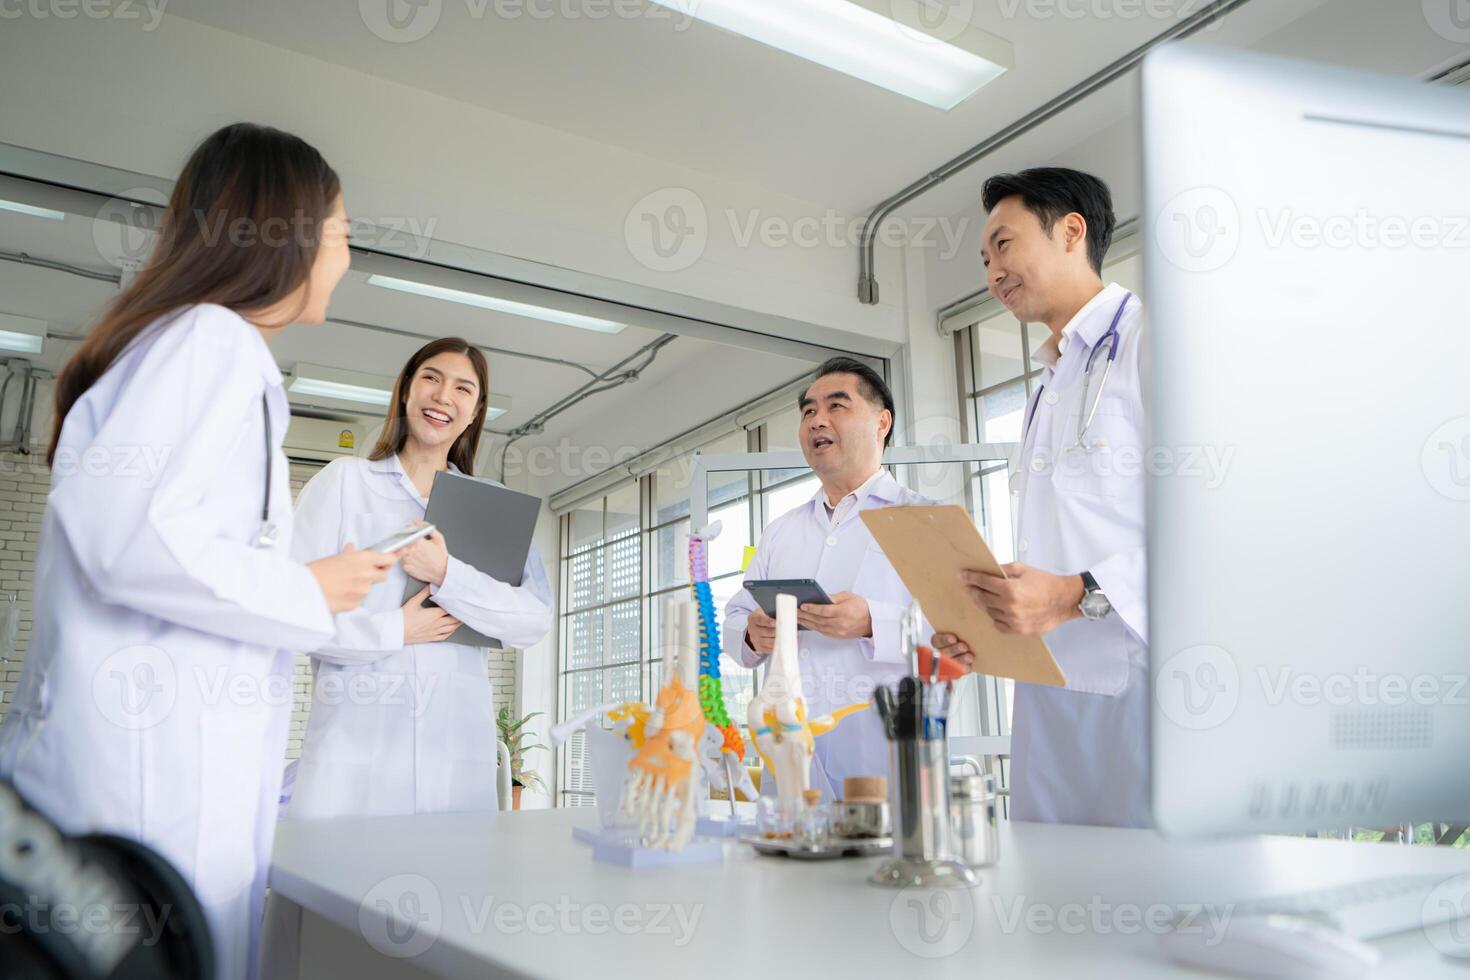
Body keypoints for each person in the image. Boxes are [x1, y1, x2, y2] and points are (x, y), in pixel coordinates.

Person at [0, 122, 397, 980]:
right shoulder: (209, 344)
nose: (347, 258)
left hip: (150, 776)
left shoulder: (205, 351)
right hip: (140, 791)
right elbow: (127, 534)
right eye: (342, 235)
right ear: (287, 238)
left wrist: (310, 594)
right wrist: (305, 586)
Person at [933, 167, 1149, 827]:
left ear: (1071, 233)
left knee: (1163, 906)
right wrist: (991, 618)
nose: (992, 270)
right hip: (1048, 687)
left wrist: (1072, 595)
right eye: (985, 258)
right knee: (1056, 898)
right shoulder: (1050, 384)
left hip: (1147, 683)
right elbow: (1061, 543)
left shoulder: (1149, 341)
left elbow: (1222, 527)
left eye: (1004, 244)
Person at [283, 337, 553, 819]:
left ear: (475, 412)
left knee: (447, 887)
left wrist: (448, 573)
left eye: (463, 388)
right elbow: (292, 611)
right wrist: (397, 631)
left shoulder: (492, 506)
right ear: (406, 390)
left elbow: (532, 622)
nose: (443, 396)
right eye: (431, 377)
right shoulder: (345, 483)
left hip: (453, 758)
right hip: (354, 755)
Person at [723, 357, 931, 801]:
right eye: (808, 411)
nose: (818, 420)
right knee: (788, 864)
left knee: (880, 863)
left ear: (882, 422)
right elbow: (736, 618)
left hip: (885, 756)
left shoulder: (925, 518)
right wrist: (752, 633)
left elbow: (967, 629)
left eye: (837, 406)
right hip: (791, 755)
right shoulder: (781, 531)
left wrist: (873, 621)